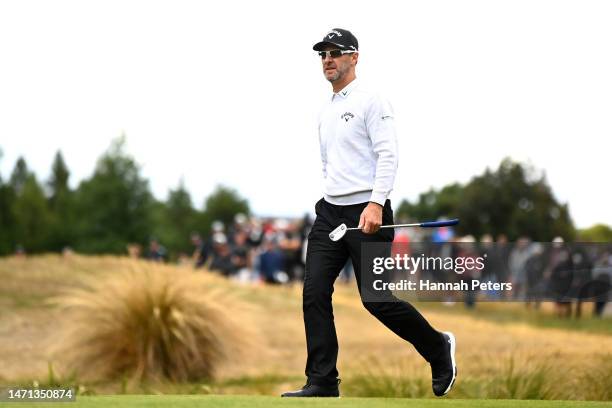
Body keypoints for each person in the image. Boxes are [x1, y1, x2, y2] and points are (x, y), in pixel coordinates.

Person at [281, 28, 457, 398]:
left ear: (354, 57)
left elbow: (388, 154)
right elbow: (331, 164)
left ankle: (438, 347)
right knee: (314, 292)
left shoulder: (371, 100)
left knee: (376, 300)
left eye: (335, 52)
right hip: (330, 214)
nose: (327, 59)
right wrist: (330, 203)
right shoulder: (325, 111)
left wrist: (376, 202)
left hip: (367, 213)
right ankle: (323, 381)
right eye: (323, 54)